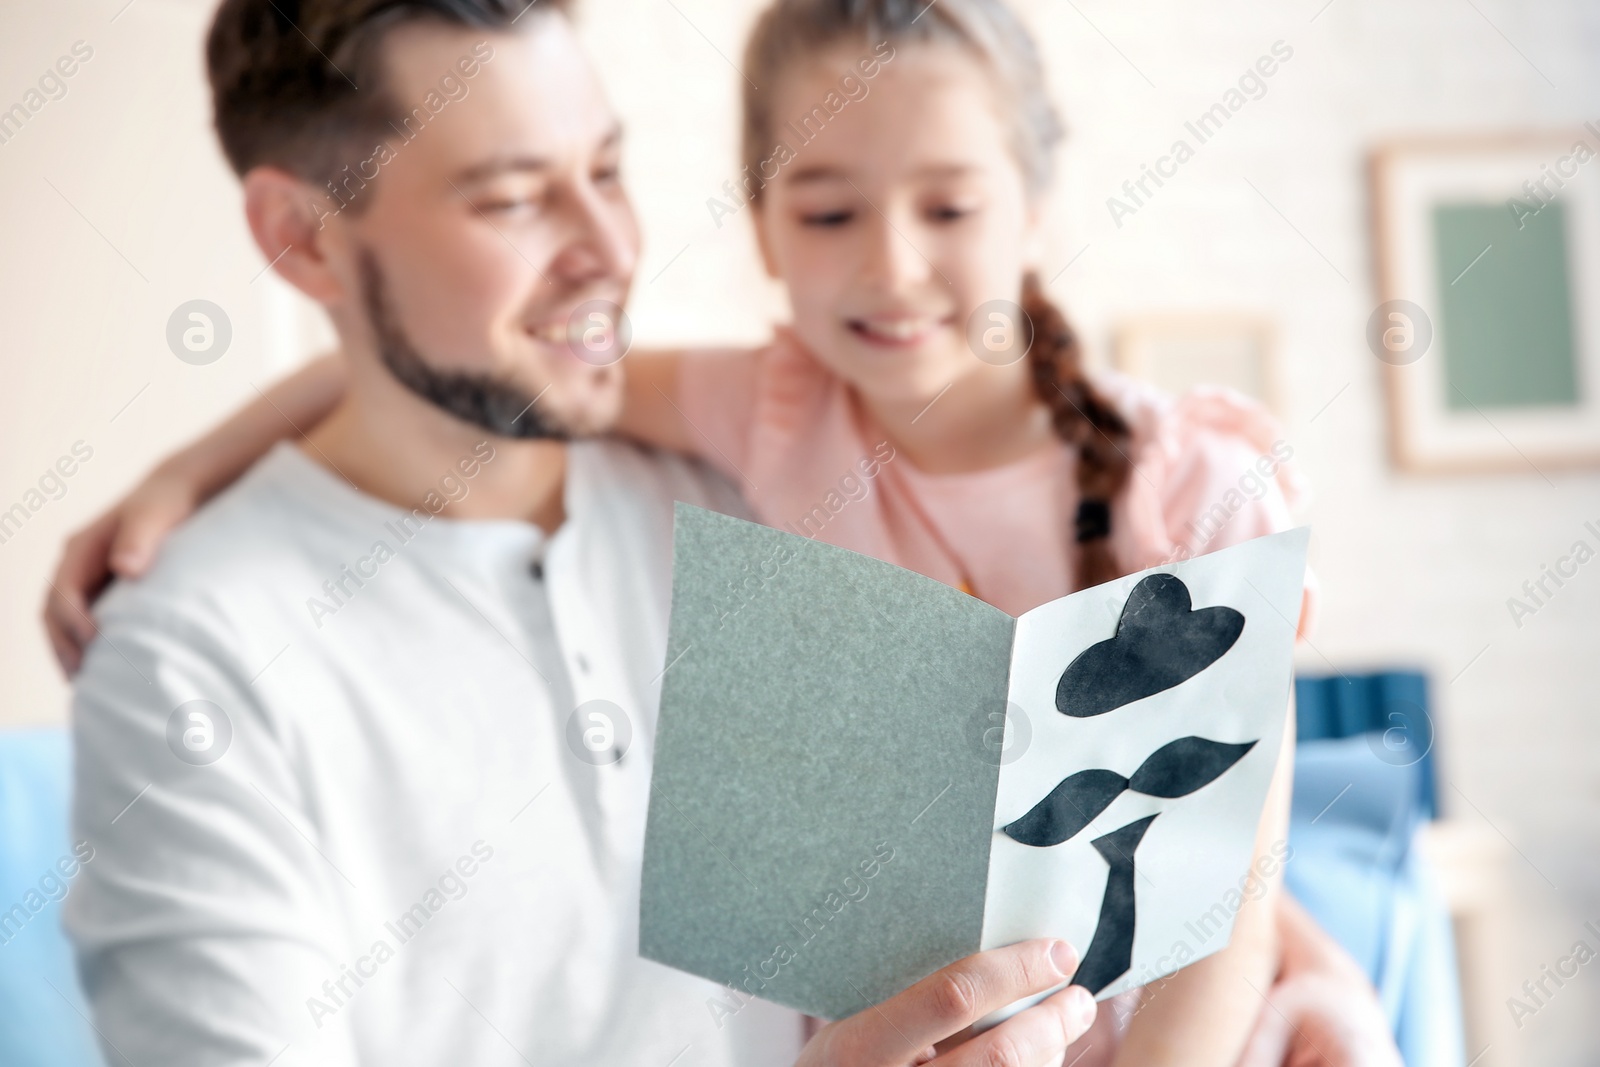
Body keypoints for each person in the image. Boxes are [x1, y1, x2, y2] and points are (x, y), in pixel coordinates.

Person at [46, 1, 1405, 1065]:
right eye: (516, 195)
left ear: (1035, 201)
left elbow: (1207, 858)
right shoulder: (766, 425)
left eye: (611, 171)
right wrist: (191, 469)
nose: (611, 250)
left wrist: (1318, 960)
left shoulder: (733, 481)